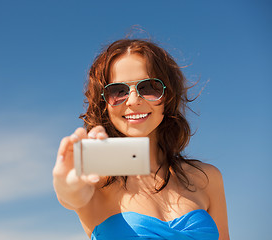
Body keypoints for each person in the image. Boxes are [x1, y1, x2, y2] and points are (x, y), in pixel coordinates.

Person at [53, 39, 230, 239]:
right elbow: (72, 195)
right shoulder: (96, 182)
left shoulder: (207, 178)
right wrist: (66, 185)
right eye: (118, 91)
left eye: (148, 87)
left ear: (167, 96)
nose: (133, 100)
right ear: (104, 103)